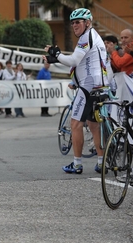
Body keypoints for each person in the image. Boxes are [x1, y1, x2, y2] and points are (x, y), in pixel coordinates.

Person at [44, 7, 109, 174]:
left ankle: (77, 163)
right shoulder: (93, 36)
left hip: (88, 87)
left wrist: (57, 54)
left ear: (88, 23)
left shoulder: (86, 37)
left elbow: (74, 59)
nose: (74, 25)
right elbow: (80, 63)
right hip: (98, 85)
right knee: (94, 126)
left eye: (78, 22)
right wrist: (57, 58)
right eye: (72, 23)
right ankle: (102, 162)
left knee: (75, 124)